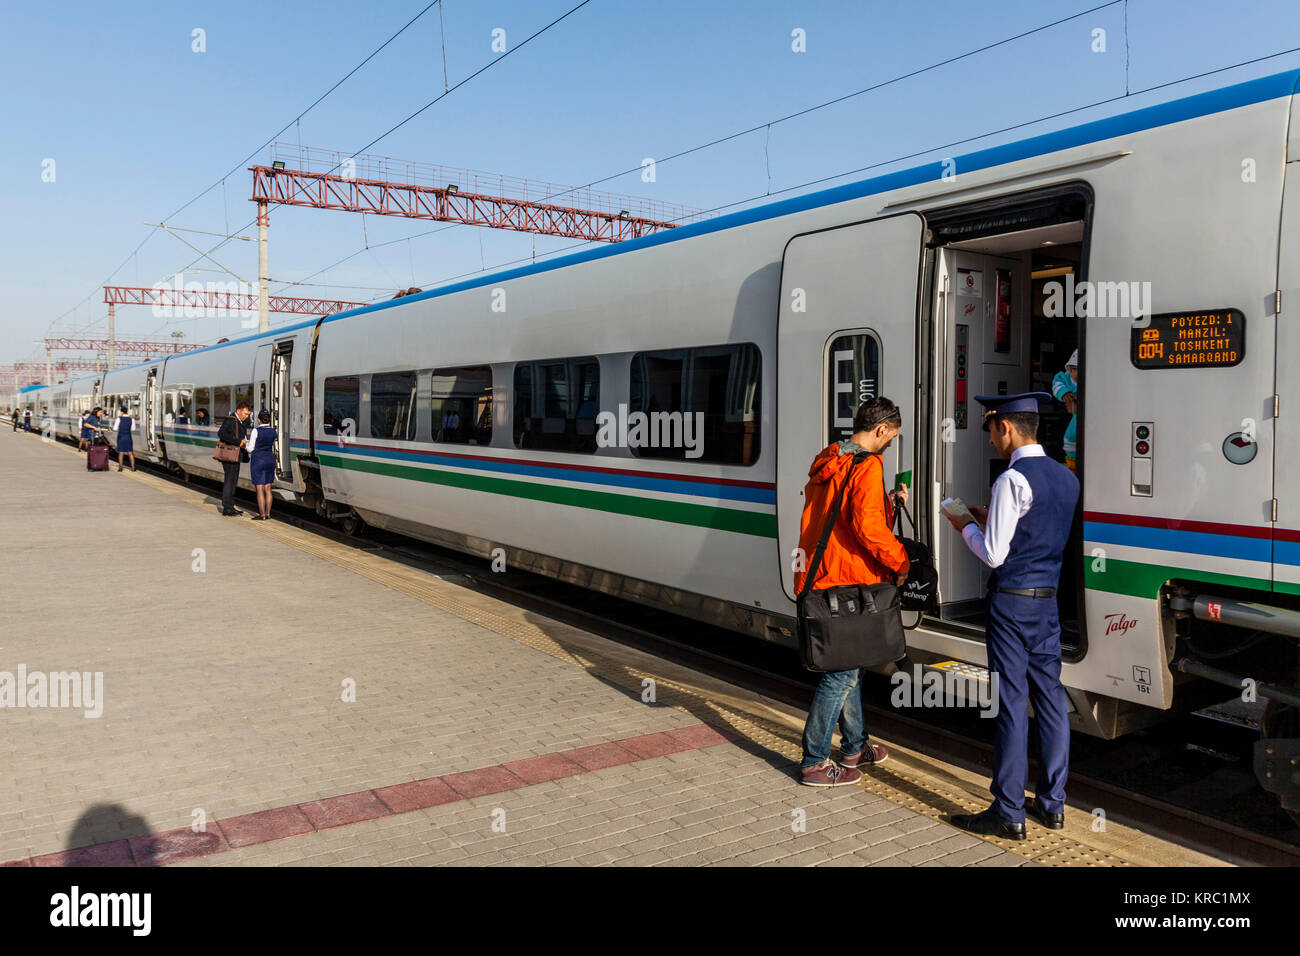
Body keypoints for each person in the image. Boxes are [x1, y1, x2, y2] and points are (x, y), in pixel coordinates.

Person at [941, 392, 1080, 839]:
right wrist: (991, 519)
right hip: (1047, 603)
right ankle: (1053, 805)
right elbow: (1039, 531)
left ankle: (1008, 812)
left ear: (1006, 428)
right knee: (1053, 698)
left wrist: (965, 525)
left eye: (990, 430)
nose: (991, 441)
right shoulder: (1065, 478)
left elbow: (995, 554)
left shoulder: (1011, 480)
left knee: (1012, 704)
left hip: (1011, 605)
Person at [795, 396, 911, 787]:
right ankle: (813, 761)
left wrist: (887, 503)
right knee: (840, 674)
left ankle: (855, 746)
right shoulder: (868, 466)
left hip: (823, 572)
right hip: (849, 578)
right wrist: (901, 562)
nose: (892, 443)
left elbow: (842, 513)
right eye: (892, 436)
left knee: (852, 664)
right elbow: (868, 529)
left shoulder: (832, 458)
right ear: (881, 430)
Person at [217, 401, 252, 516]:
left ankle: (230, 505)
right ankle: (227, 508)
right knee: (230, 481)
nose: (247, 416)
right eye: (245, 414)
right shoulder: (231, 420)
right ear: (238, 411)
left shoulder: (239, 421)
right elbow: (221, 433)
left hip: (235, 455)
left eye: (248, 414)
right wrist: (238, 442)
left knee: (233, 481)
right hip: (230, 456)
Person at [1051, 349, 1079, 472]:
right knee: (1071, 435)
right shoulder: (1065, 377)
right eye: (1073, 369)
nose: (1076, 373)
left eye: (1079, 369)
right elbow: (1057, 383)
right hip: (1076, 415)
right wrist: (1064, 393)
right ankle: (1071, 462)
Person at [247, 409, 278, 520]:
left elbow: (250, 449)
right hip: (270, 459)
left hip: (258, 460)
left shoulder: (256, 431)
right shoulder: (274, 431)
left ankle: (262, 515)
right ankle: (268, 514)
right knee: (268, 488)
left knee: (259, 489)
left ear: (259, 420)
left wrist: (245, 444)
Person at [115, 405, 136, 472]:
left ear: (121, 412)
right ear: (127, 411)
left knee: (121, 452)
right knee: (130, 452)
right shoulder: (131, 419)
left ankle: (120, 467)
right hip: (128, 437)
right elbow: (133, 429)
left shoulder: (119, 419)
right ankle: (133, 467)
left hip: (121, 436)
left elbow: (115, 428)